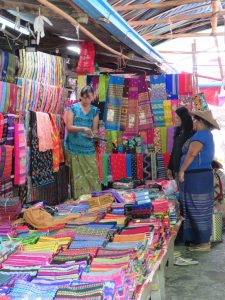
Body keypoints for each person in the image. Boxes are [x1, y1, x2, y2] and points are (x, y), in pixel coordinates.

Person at [179, 110, 220, 251]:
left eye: (195, 120)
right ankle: (198, 240)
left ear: (201, 122)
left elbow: (192, 153)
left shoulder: (202, 135)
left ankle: (203, 243)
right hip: (197, 177)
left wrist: (182, 170)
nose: (194, 122)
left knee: (198, 208)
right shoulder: (203, 134)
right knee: (194, 207)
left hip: (197, 177)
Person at [64, 86, 101, 200]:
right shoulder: (72, 108)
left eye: (88, 98)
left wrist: (94, 135)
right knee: (78, 177)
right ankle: (80, 202)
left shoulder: (95, 111)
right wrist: (83, 128)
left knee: (93, 175)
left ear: (92, 97)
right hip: (74, 147)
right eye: (84, 98)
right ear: (80, 97)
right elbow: (69, 127)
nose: (86, 100)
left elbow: (94, 130)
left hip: (88, 147)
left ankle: (95, 200)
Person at [167, 106, 194, 180]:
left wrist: (182, 170)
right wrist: (170, 167)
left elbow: (191, 154)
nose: (175, 120)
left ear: (184, 119)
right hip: (177, 170)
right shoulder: (178, 132)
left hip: (186, 172)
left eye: (177, 118)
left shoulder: (191, 134)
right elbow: (174, 151)